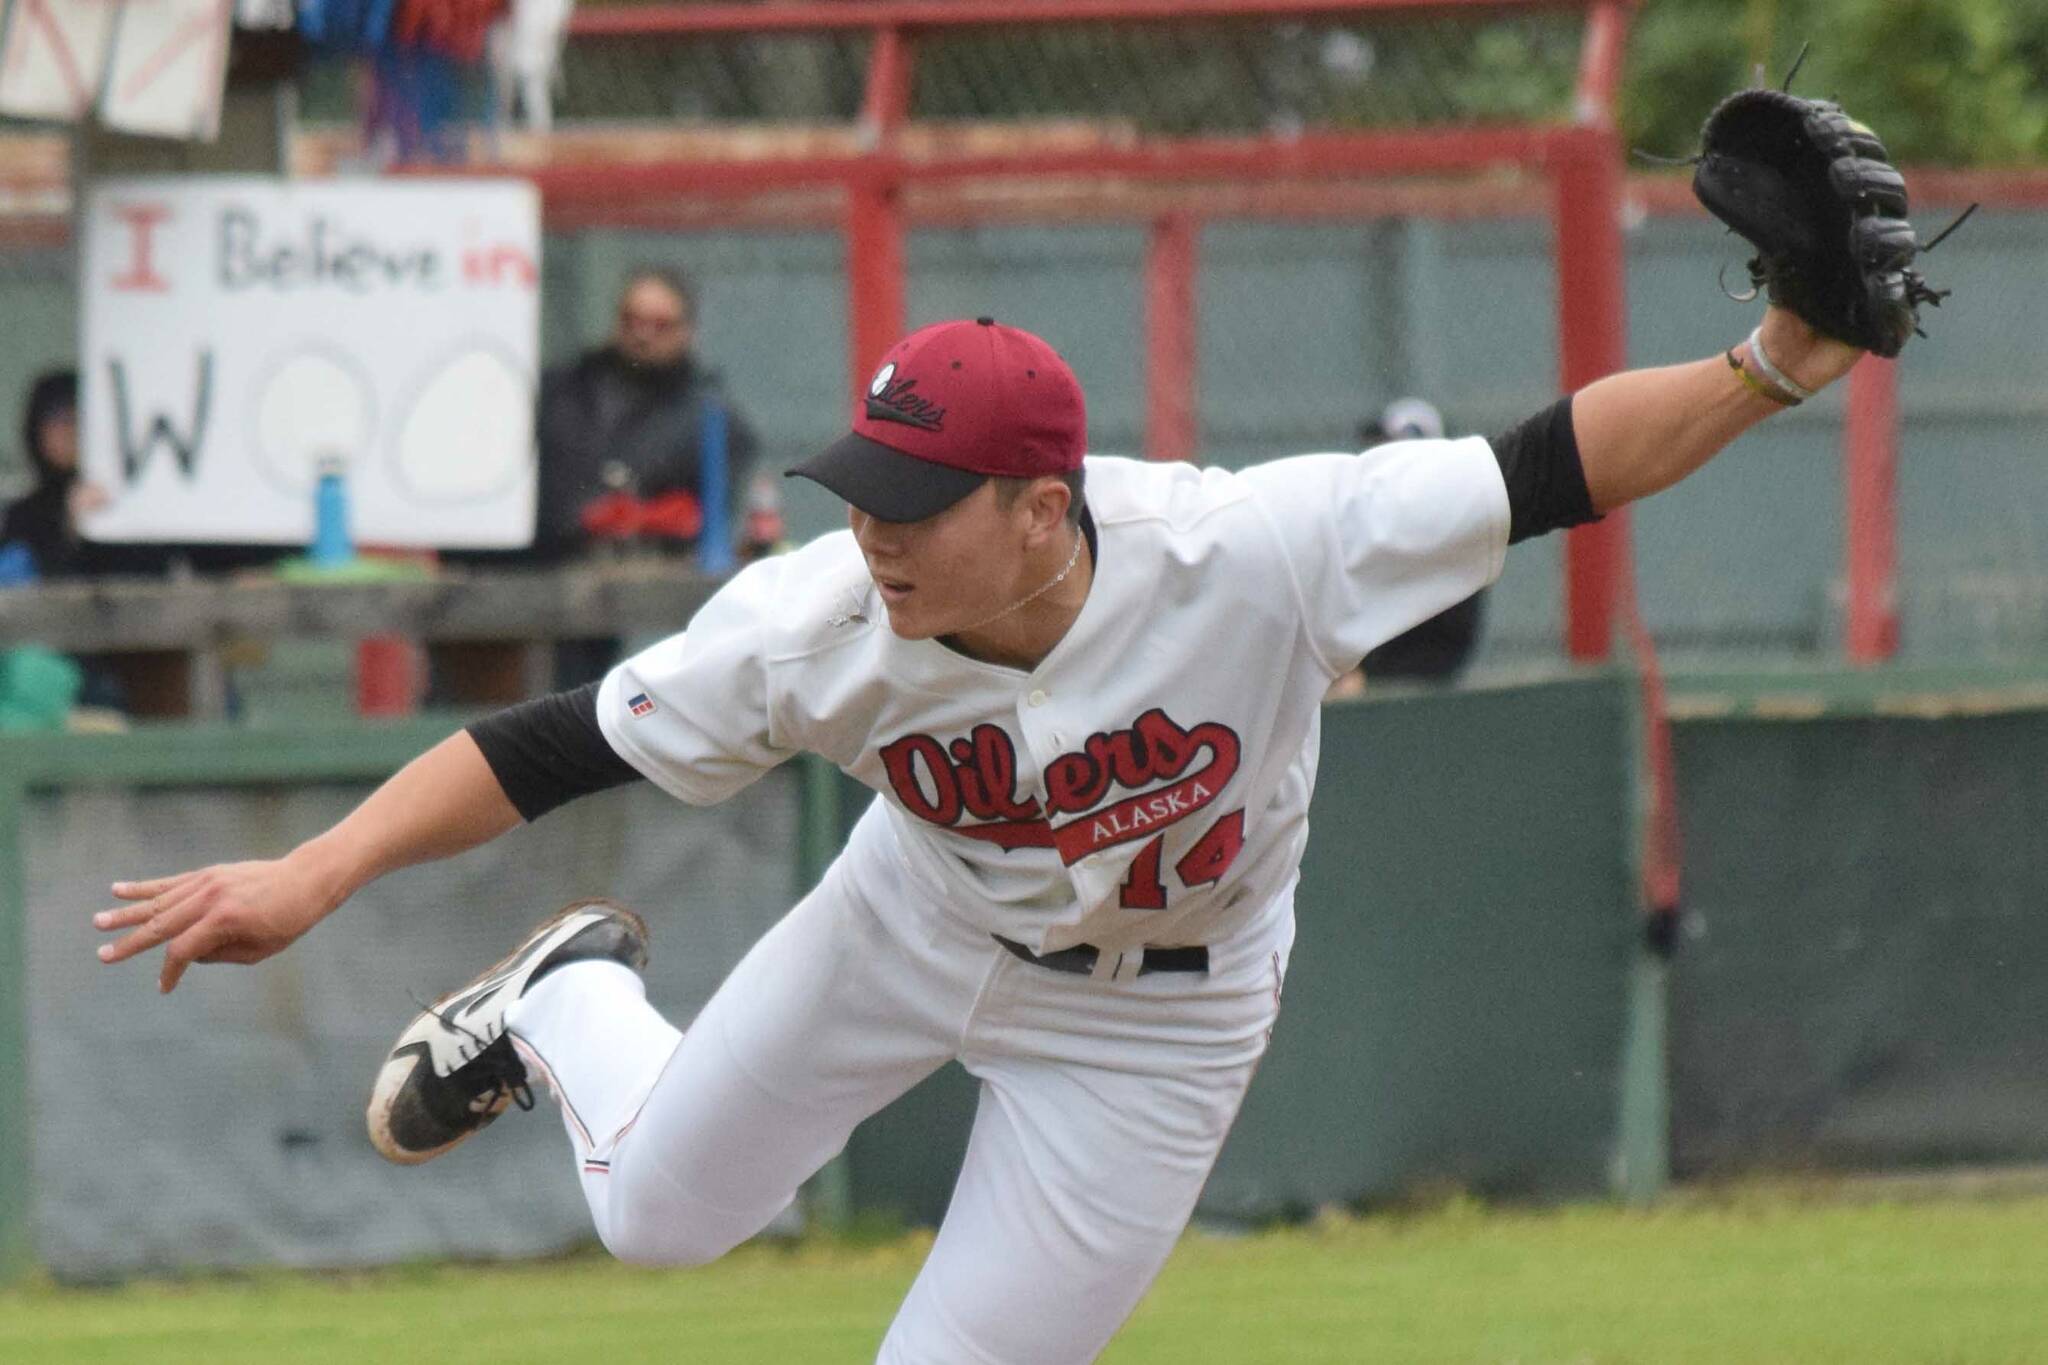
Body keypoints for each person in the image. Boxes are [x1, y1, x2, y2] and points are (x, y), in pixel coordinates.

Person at [94, 306, 1860, 1364]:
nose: (872, 528)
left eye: (913, 503)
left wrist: (1773, 360)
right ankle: (565, 1002)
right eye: (860, 486)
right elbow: (551, 742)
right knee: (657, 1223)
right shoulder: (816, 623)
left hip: (1159, 1021)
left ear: (1037, 511)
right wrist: (309, 876)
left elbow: (1552, 463)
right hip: (914, 924)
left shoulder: (1254, 549)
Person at [1349, 397, 1486, 689]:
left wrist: (1368, 679)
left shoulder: (1452, 528)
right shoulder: (1368, 521)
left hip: (1414, 683)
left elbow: (1444, 642)